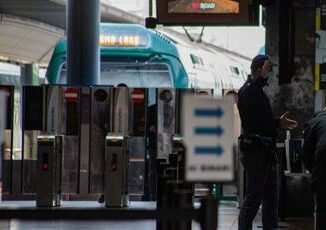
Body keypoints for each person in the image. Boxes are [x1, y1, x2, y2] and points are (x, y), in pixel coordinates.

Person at [237, 54, 298, 230]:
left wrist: (278, 123)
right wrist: (260, 78)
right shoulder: (248, 90)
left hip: (266, 152)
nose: (270, 74)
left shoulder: (258, 92)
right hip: (256, 152)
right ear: (259, 69)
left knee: (271, 197)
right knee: (253, 199)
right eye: (267, 69)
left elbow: (262, 121)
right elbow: (252, 121)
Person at [303, 109, 326, 230]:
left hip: (323, 162)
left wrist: (314, 172)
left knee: (322, 208)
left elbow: (306, 153)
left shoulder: (313, 123)